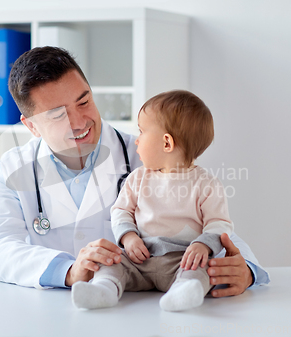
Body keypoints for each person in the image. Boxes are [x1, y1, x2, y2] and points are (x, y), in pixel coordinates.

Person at [0, 46, 270, 297]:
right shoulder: (14, 168)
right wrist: (69, 270)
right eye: (58, 115)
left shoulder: (147, 154)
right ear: (30, 126)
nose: (80, 122)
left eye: (84, 101)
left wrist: (247, 270)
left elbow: (212, 222)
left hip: (143, 315)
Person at [72, 90, 234, 311]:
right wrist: (128, 237)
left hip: (182, 260)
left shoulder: (207, 184)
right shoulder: (138, 178)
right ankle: (104, 290)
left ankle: (184, 291)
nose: (136, 140)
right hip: (139, 257)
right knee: (111, 261)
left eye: (142, 132)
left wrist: (202, 245)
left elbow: (219, 224)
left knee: (201, 267)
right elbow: (121, 211)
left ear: (166, 143)